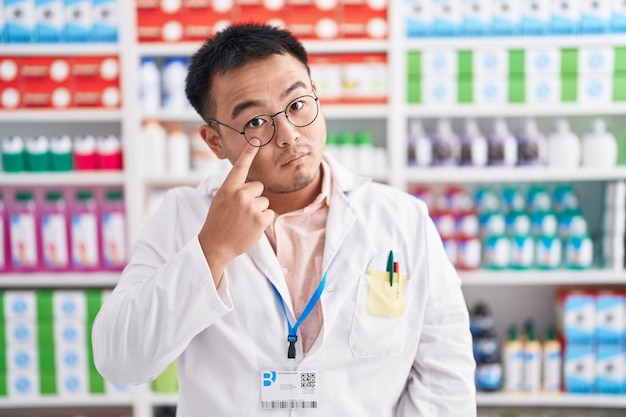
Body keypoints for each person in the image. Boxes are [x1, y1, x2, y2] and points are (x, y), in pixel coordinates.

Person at [92, 23, 477, 416]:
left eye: (297, 105)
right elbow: (119, 361)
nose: (289, 135)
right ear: (215, 141)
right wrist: (212, 250)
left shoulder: (402, 219)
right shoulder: (183, 216)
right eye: (255, 122)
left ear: (316, 96)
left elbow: (447, 380)